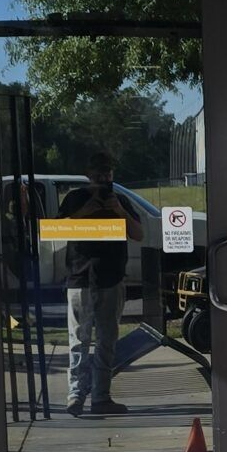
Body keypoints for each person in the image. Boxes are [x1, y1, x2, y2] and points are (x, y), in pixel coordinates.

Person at [60, 153, 129, 417]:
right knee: (79, 339)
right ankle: (76, 394)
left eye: (108, 174)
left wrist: (119, 211)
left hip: (111, 278)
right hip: (80, 278)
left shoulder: (119, 200)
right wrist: (83, 213)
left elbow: (138, 233)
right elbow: (56, 231)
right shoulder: (75, 199)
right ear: (88, 175)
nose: (103, 179)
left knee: (107, 340)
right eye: (99, 174)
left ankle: (101, 396)